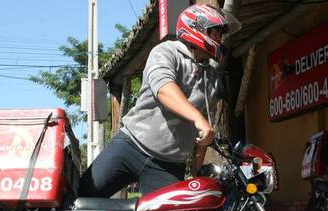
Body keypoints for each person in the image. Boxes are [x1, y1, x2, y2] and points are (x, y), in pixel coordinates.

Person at [79, 4, 241, 198]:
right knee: (83, 199)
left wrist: (197, 169)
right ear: (195, 28)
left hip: (168, 164)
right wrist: (198, 118)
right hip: (131, 145)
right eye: (214, 32)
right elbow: (163, 89)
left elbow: (204, 132)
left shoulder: (212, 78)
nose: (218, 39)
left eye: (220, 34)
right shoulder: (166, 51)